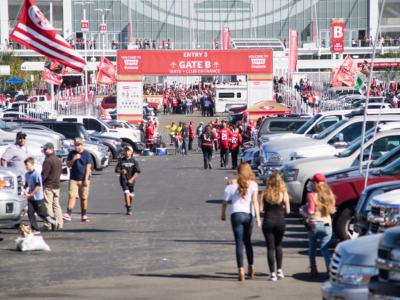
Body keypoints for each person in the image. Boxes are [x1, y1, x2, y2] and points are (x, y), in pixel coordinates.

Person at [221, 163, 261, 281]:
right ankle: (251, 267)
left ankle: (241, 271)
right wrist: (258, 218)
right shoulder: (254, 184)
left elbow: (225, 201)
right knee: (248, 241)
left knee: (239, 242)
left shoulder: (231, 184)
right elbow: (255, 202)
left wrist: (223, 213)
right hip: (248, 215)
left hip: (236, 214)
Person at [301, 173, 336, 278]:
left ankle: (313, 269)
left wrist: (303, 209)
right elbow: (333, 210)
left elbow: (311, 211)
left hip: (314, 224)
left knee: (312, 247)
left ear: (314, 183)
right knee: (324, 249)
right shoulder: (329, 195)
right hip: (326, 225)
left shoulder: (312, 195)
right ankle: (329, 269)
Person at [259, 172, 290, 281]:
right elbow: (288, 211)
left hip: (268, 221)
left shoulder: (264, 193)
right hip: (280, 221)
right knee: (278, 246)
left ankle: (272, 273)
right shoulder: (284, 194)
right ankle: (279, 271)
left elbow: (260, 209)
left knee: (270, 248)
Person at [24, 157, 58, 233]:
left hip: (38, 197)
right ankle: (35, 228)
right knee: (30, 213)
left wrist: (31, 194)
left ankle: (53, 220)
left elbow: (38, 186)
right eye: (25, 165)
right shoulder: (26, 174)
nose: (25, 166)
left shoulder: (36, 174)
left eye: (27, 165)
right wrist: (26, 192)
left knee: (40, 212)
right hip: (31, 198)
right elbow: (27, 185)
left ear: (32, 164)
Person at [63, 137, 93, 222]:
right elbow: (68, 165)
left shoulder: (87, 154)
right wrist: (74, 158)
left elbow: (88, 166)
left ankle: (84, 214)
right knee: (72, 196)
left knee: (84, 197)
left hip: (83, 179)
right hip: (74, 178)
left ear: (82, 145)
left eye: (78, 145)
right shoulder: (72, 153)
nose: (76, 147)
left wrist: (86, 178)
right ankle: (68, 214)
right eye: (75, 145)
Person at [41, 142, 63, 230]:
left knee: (48, 205)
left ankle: (49, 224)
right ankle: (59, 223)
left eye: (46, 149)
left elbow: (44, 175)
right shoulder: (58, 159)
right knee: (56, 205)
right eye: (44, 149)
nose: (44, 151)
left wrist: (39, 183)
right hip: (57, 185)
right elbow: (60, 172)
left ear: (51, 149)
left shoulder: (48, 160)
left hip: (49, 185)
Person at [115, 146, 141, 215]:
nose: (126, 152)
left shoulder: (134, 161)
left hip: (131, 180)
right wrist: (121, 171)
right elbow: (116, 170)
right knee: (126, 193)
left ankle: (127, 204)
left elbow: (137, 171)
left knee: (131, 195)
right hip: (124, 180)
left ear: (131, 152)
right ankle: (129, 209)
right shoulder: (121, 161)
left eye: (128, 151)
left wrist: (132, 179)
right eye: (125, 151)